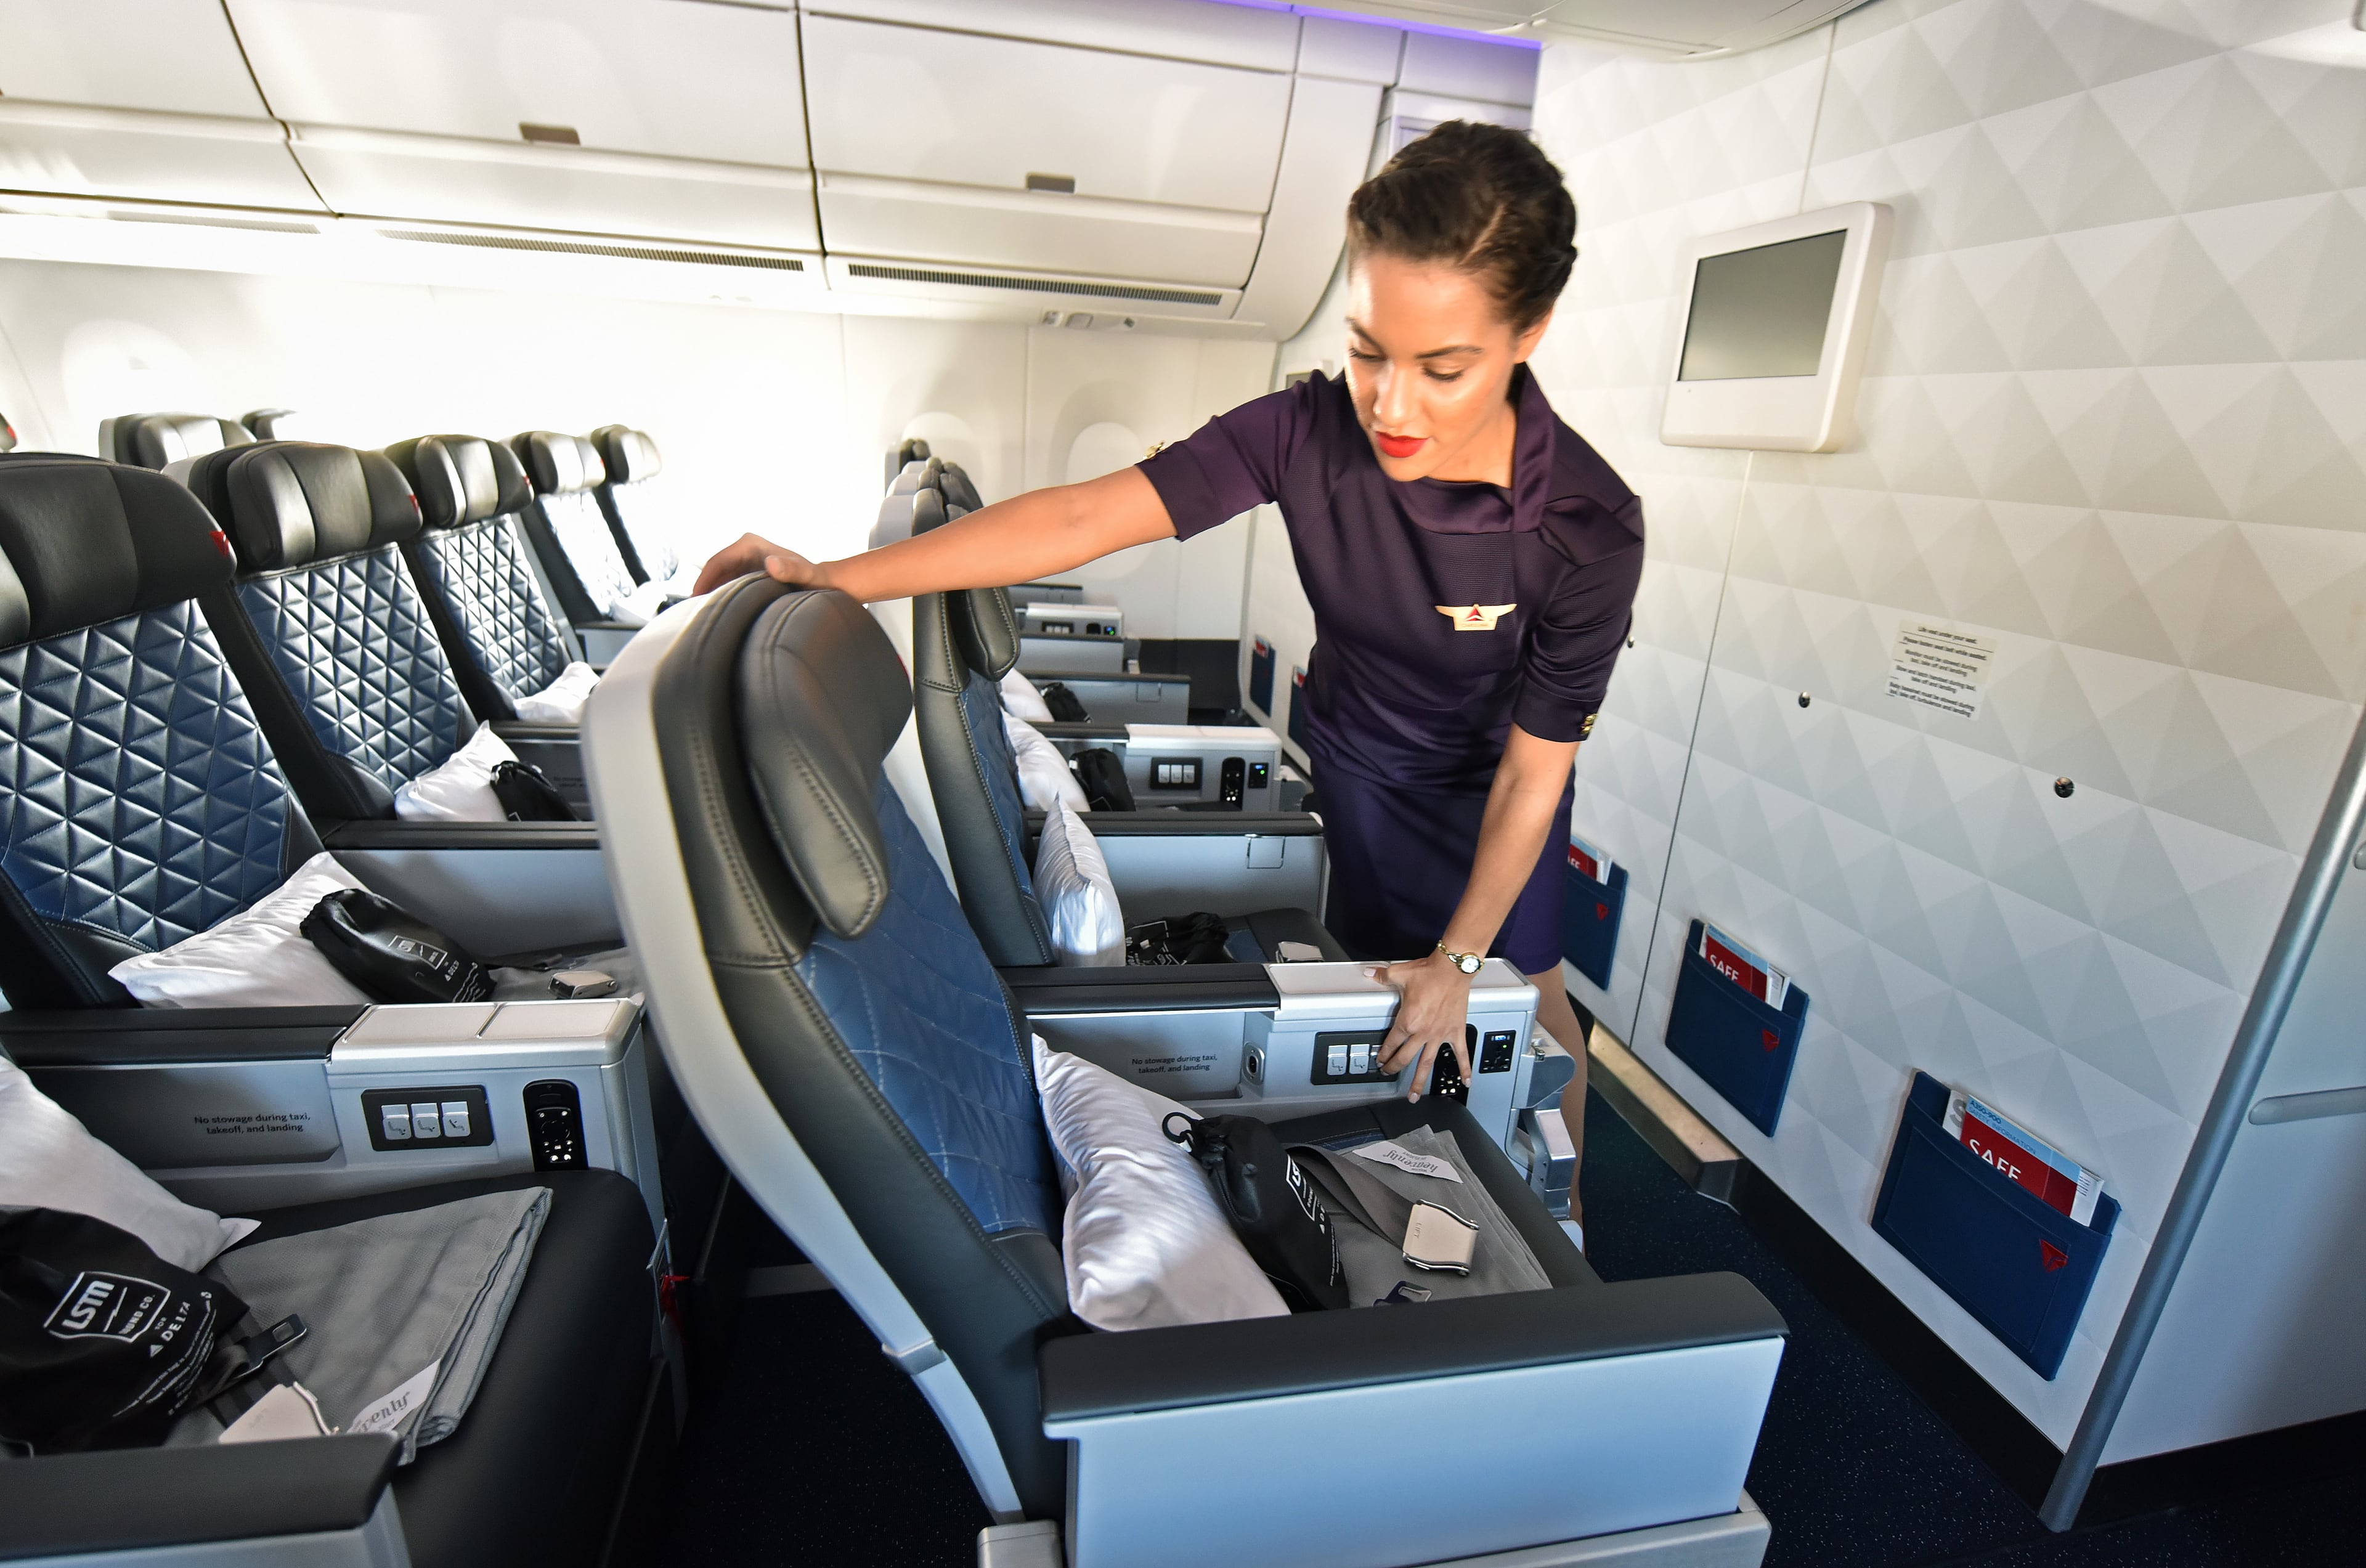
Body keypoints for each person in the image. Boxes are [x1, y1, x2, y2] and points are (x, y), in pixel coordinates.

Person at [696, 123, 1641, 1227]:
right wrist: (837, 577)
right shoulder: (1305, 431)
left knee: (1525, 996)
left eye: (1442, 369)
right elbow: (1084, 515)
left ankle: (1566, 1221)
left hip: (1493, 792)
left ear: (1529, 334)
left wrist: (1464, 957)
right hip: (1357, 761)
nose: (1390, 405)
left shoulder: (1586, 527)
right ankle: (1427, 1193)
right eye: (1368, 350)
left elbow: (1534, 774)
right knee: (1387, 983)